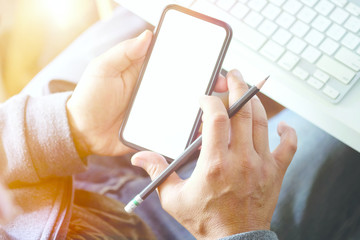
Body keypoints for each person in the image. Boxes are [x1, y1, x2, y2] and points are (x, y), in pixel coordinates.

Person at [0, 25, 298, 239]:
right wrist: (237, 230)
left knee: (162, 20)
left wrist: (70, 125)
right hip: (178, 229)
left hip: (57, 175)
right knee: (336, 142)